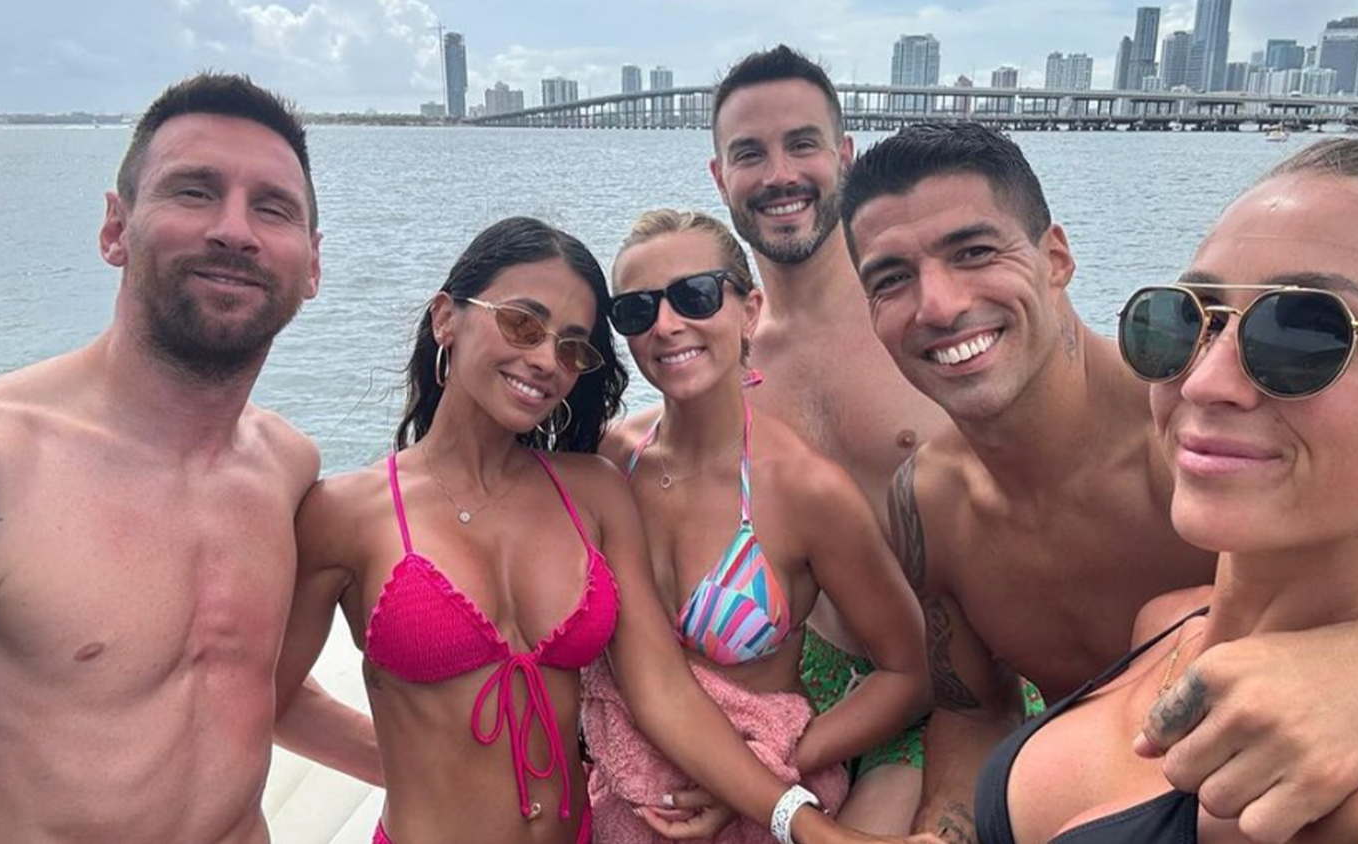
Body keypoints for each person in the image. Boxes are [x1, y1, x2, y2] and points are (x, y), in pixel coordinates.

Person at [838, 121, 1358, 844]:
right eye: (1186, 318)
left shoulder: (1211, 468)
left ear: (1055, 257)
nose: (1205, 380)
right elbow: (974, 707)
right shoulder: (931, 502)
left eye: (1306, 334)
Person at [273, 216, 941, 844]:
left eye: (571, 346)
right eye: (521, 323)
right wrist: (408, 763)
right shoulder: (345, 513)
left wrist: (801, 821)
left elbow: (660, 689)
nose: (544, 359)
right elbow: (268, 702)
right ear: (446, 318)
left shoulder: (590, 489)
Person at [0, 72, 377, 844]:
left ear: (314, 263)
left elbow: (256, 693)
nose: (235, 230)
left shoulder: (287, 466)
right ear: (115, 229)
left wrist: (467, 773)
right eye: (194, 192)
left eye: (273, 207)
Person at [586, 208, 929, 842]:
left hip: (764, 801)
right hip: (620, 794)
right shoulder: (610, 463)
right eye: (636, 310)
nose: (666, 325)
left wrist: (759, 775)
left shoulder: (803, 489)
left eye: (694, 296)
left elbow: (909, 673)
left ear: (749, 311)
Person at [708, 46, 951, 834]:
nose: (780, 173)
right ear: (720, 179)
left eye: (802, 144)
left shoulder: (925, 312)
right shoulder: (721, 360)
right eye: (751, 153)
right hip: (809, 679)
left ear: (844, 157)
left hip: (960, 675)